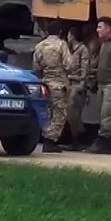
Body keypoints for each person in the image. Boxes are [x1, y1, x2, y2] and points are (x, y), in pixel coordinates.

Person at [31, 18, 74, 153]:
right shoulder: (62, 45)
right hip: (58, 85)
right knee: (60, 113)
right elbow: (69, 65)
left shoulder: (40, 46)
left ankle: (43, 135)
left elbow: (35, 67)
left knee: (47, 112)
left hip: (45, 83)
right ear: (60, 32)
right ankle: (50, 140)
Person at [86, 16, 111, 154]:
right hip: (102, 84)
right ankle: (108, 144)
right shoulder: (104, 44)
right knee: (102, 115)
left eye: (100, 27)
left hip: (110, 86)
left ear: (108, 28)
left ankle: (103, 141)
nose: (97, 30)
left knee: (106, 114)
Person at [64, 26, 90, 150]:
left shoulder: (82, 50)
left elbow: (84, 69)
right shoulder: (70, 50)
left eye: (69, 35)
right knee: (69, 114)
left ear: (73, 36)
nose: (67, 37)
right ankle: (75, 140)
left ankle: (80, 139)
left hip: (77, 84)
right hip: (69, 83)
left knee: (74, 114)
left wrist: (82, 83)